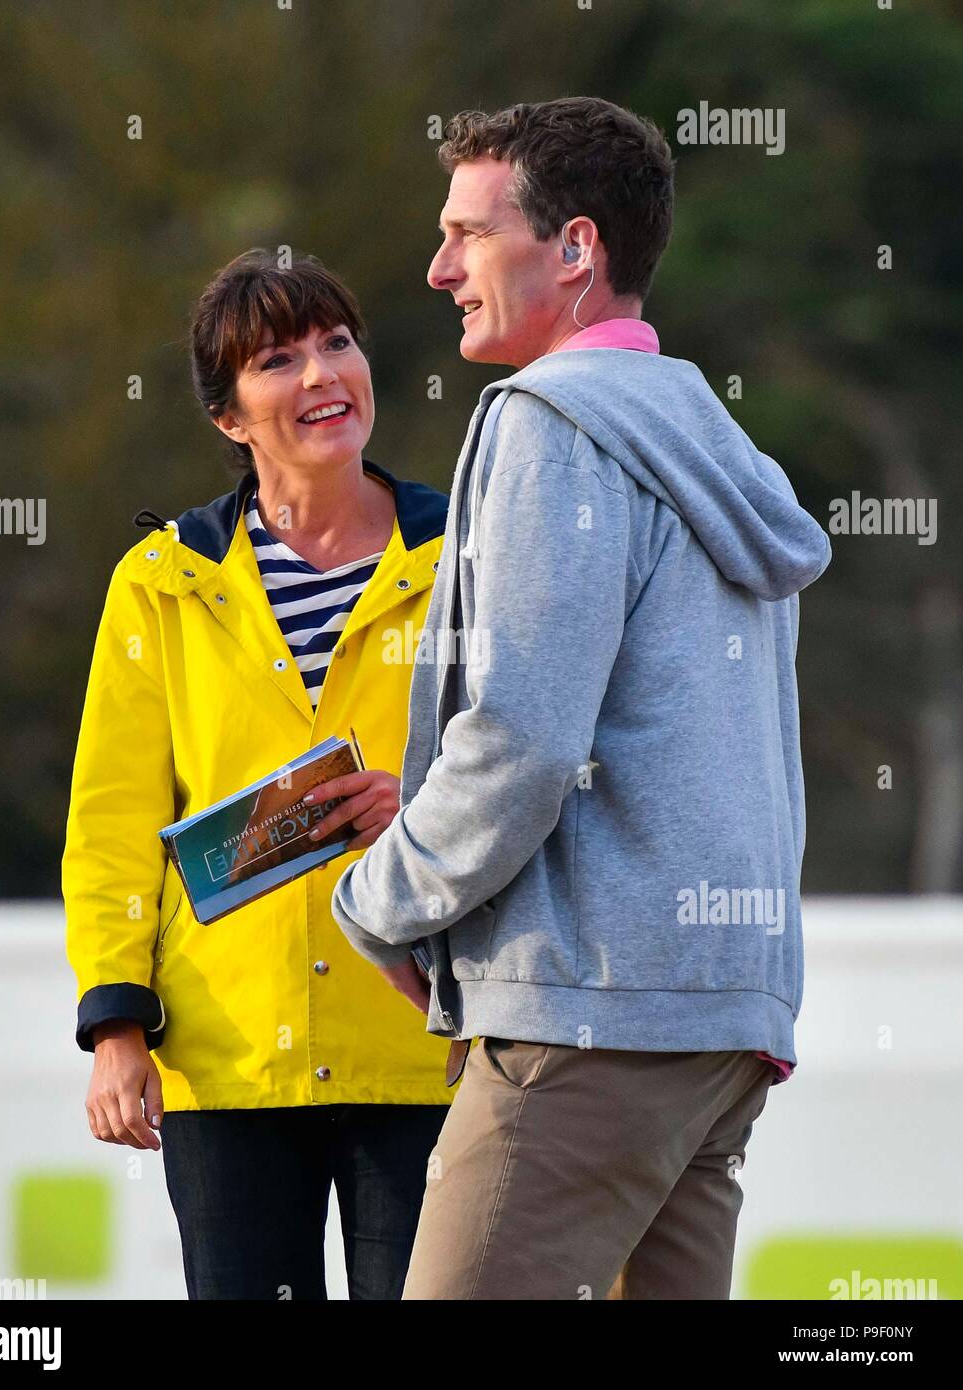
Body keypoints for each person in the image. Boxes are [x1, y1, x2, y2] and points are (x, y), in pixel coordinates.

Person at [330, 97, 832, 1300]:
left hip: (592, 1015)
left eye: (468, 233)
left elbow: (524, 742)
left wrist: (382, 899)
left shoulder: (549, 424)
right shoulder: (719, 447)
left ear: (576, 251)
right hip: (720, 1016)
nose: (440, 267)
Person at [62, 249, 450, 1300]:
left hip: (430, 1042)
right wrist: (116, 1026)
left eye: (337, 343)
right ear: (229, 415)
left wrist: (425, 817)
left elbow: (534, 762)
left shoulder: (469, 550)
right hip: (227, 1058)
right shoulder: (160, 581)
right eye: (279, 359)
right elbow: (113, 820)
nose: (324, 375)